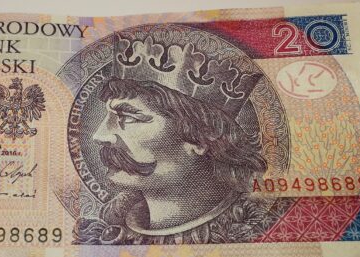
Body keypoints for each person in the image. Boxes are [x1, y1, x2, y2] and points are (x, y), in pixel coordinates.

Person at [74, 77, 269, 245]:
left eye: (130, 118)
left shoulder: (255, 224)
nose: (100, 136)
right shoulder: (102, 232)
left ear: (200, 138)